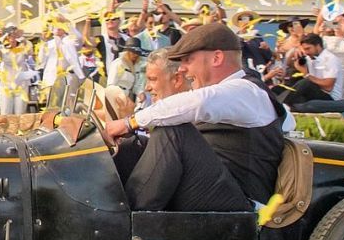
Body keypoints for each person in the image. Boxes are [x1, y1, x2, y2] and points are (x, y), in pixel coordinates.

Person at [100, 24, 286, 212]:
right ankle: (101, 206)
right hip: (214, 188)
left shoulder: (247, 90)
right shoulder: (237, 94)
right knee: (132, 145)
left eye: (188, 60)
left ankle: (124, 223)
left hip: (238, 203)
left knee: (173, 132)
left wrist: (127, 123)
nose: (182, 69)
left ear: (217, 58)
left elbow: (198, 103)